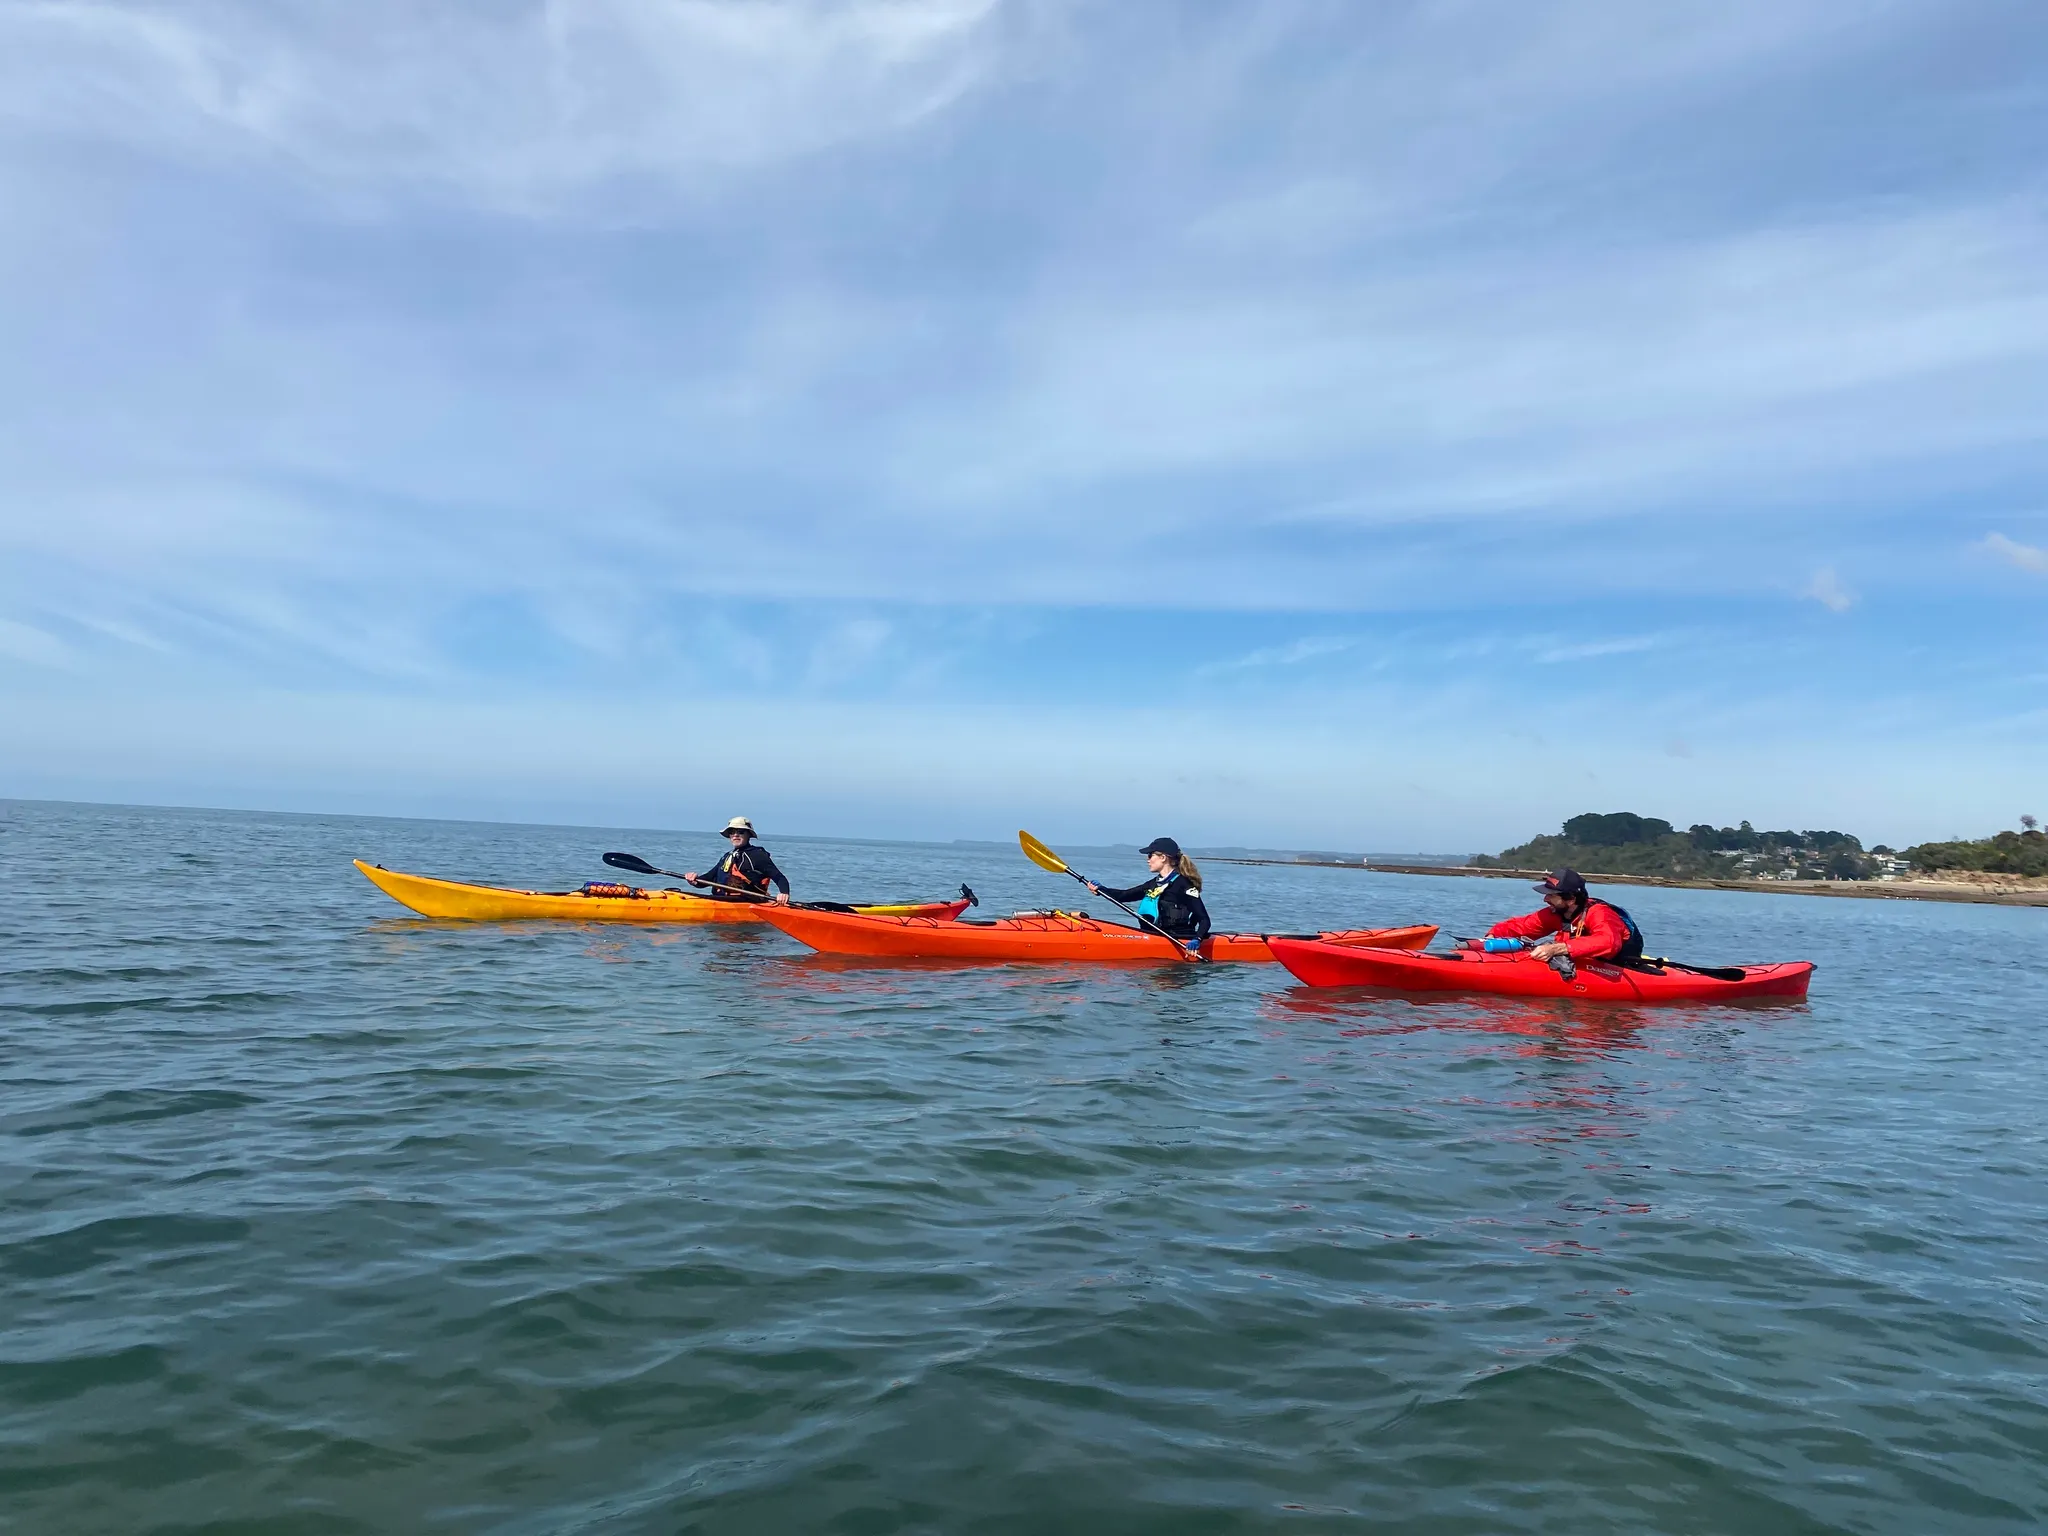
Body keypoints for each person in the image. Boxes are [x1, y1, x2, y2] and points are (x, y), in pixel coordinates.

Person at [1471, 868, 1644, 967]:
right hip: (1584, 963)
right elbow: (1521, 926)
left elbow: (1608, 942)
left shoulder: (1600, 913)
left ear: (1571, 898)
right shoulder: (1556, 912)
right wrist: (1493, 935)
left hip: (1617, 966)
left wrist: (1556, 949)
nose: (1545, 899)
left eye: (1551, 895)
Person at [1086, 837, 1212, 946]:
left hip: (1181, 940)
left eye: (1150, 855)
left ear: (1163, 858)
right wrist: (1101, 889)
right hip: (1155, 936)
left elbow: (1204, 920)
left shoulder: (1184, 885)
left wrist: (1197, 939)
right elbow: (1124, 895)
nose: (1148, 860)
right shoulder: (1154, 884)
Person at [685, 817, 792, 905]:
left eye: (740, 832)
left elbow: (779, 878)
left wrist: (784, 893)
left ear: (748, 835)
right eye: (732, 832)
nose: (735, 835)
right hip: (720, 900)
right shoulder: (727, 857)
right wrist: (694, 880)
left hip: (746, 902)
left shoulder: (758, 855)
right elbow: (708, 879)